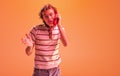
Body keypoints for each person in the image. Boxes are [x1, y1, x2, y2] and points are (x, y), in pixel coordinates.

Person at [21, 4, 68, 76]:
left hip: (55, 70)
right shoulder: (36, 30)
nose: (49, 18)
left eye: (51, 14)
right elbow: (28, 53)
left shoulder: (60, 29)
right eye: (46, 16)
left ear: (56, 15)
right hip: (40, 71)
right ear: (43, 19)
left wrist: (59, 24)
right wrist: (30, 46)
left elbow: (66, 44)